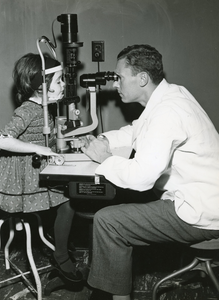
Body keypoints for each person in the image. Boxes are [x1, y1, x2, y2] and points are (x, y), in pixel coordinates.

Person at [80, 44, 219, 300]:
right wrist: (103, 141)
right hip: (204, 195)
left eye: (120, 77)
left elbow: (142, 178)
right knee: (120, 203)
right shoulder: (171, 95)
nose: (115, 85)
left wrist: (105, 158)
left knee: (109, 221)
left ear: (142, 78)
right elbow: (136, 130)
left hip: (200, 209)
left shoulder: (167, 111)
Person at [0, 53, 82, 283]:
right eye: (58, 81)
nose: (62, 85)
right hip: (17, 178)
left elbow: (42, 138)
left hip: (32, 171)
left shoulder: (44, 108)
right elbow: (3, 140)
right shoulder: (28, 110)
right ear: (42, 87)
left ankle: (58, 245)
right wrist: (40, 150)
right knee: (69, 201)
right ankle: (60, 252)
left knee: (67, 201)